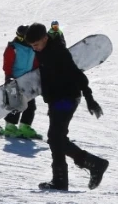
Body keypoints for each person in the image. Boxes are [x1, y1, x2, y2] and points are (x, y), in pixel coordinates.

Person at [25, 23, 108, 190]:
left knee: (55, 137)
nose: (35, 48)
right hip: (57, 99)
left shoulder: (58, 52)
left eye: (36, 45)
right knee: (57, 138)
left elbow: (78, 75)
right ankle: (62, 180)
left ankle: (92, 165)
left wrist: (89, 98)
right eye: (32, 46)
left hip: (67, 98)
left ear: (45, 38)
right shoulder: (42, 51)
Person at [1, 26, 41, 139]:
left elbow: (35, 62)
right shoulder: (13, 48)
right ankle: (10, 125)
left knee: (30, 105)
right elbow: (7, 64)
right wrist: (8, 77)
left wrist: (37, 74)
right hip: (15, 80)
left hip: (28, 80)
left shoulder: (32, 48)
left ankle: (25, 126)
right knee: (15, 104)